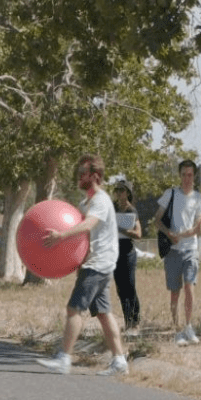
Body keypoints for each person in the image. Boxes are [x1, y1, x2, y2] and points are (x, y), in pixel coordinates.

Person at [36, 154, 129, 376]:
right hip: (96, 262)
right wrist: (77, 259)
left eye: (82, 173)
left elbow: (89, 225)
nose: (78, 177)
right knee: (104, 313)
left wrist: (61, 236)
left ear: (95, 176)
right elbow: (84, 239)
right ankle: (119, 361)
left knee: (73, 309)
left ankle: (64, 358)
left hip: (98, 264)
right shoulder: (85, 202)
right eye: (78, 173)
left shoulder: (100, 200)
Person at [153, 159, 201, 346]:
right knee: (174, 292)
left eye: (190, 175)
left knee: (189, 287)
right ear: (180, 175)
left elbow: (198, 228)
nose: (187, 178)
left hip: (190, 249)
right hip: (173, 251)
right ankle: (177, 329)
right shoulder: (170, 194)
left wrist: (182, 234)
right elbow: (157, 220)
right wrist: (169, 234)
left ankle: (189, 326)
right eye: (183, 174)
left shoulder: (199, 198)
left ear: (194, 176)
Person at [112, 179, 142, 333]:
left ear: (128, 193)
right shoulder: (113, 207)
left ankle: (135, 322)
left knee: (130, 287)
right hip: (114, 253)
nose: (119, 193)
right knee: (120, 289)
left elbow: (138, 234)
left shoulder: (132, 211)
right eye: (117, 190)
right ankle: (127, 321)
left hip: (128, 253)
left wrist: (121, 229)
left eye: (122, 190)